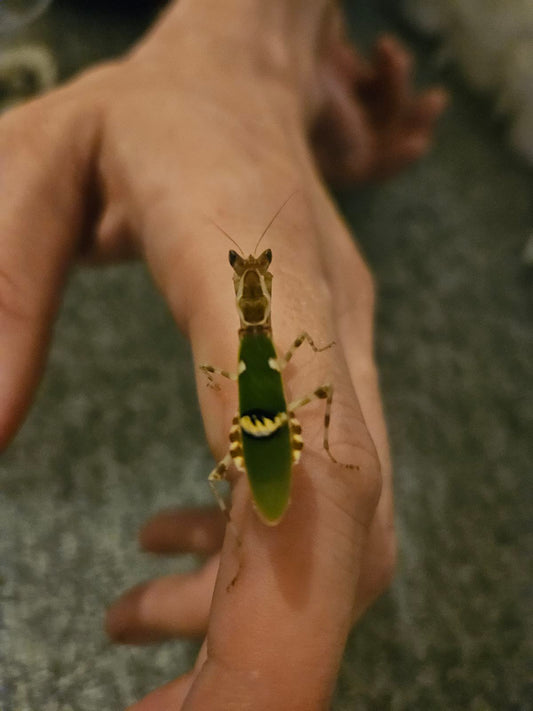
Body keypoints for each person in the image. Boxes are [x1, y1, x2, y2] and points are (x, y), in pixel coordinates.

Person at [0, 1, 446, 708]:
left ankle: (248, 517)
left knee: (265, 401)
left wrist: (254, 41)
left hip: (268, 419)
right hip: (266, 418)